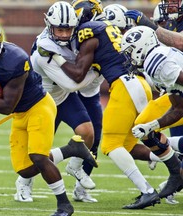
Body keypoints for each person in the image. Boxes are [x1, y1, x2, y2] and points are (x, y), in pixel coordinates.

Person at [38, 0, 182, 209]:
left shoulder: (89, 32)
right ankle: (173, 166)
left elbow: (78, 74)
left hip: (123, 85)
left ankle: (147, 191)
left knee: (110, 144)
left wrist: (56, 58)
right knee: (132, 142)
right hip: (138, 82)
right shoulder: (108, 28)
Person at [0, 20, 97, 216]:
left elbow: (6, 106)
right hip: (20, 113)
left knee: (38, 157)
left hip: (39, 107)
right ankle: (72, 149)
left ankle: (64, 205)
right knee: (25, 170)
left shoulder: (15, 61)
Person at [15, 1, 102, 204]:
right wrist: (96, 72)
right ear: (49, 25)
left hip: (62, 96)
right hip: (41, 101)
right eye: (60, 29)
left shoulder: (75, 36)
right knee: (38, 153)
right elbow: (72, 84)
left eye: (68, 29)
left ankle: (75, 166)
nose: (64, 34)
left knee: (88, 133)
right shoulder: (43, 50)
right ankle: (23, 183)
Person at [121, 25, 183, 198]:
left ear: (142, 46)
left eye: (130, 51)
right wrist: (151, 126)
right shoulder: (159, 55)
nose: (129, 57)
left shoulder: (155, 63)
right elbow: (179, 109)